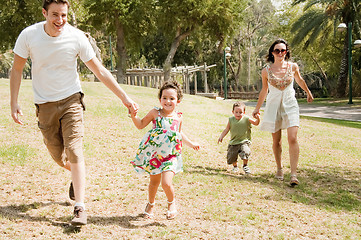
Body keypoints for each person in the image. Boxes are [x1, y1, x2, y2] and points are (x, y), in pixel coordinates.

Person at [10, 0, 138, 226]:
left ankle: (80, 208)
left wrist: (125, 98)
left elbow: (99, 70)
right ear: (44, 13)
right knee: (58, 156)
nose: (60, 20)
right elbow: (17, 68)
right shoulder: (29, 35)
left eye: (64, 15)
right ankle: (75, 174)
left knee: (75, 150)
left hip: (71, 100)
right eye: (54, 15)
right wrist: (14, 102)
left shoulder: (77, 37)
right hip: (44, 105)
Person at [130, 80, 199, 220]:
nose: (168, 101)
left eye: (172, 98)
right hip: (155, 155)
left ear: (178, 101)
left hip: (170, 156)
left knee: (166, 183)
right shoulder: (155, 113)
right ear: (160, 99)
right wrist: (133, 115)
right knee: (154, 182)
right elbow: (141, 124)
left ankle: (171, 204)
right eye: (164, 98)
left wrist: (191, 144)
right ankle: (150, 204)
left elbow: (179, 134)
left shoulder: (178, 117)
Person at [252, 39, 313, 186]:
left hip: (290, 104)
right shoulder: (266, 71)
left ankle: (293, 175)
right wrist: (257, 108)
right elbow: (264, 90)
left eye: (283, 50)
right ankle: (279, 168)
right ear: (272, 53)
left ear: (286, 52)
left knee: (292, 138)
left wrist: (308, 92)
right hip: (273, 106)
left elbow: (299, 80)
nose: (280, 53)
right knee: (277, 141)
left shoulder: (293, 67)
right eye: (277, 50)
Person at [218, 102, 260, 174]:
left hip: (244, 141)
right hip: (234, 142)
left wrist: (258, 119)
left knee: (246, 151)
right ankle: (235, 167)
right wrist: (221, 136)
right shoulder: (231, 120)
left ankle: (245, 166)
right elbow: (227, 129)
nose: (238, 114)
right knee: (232, 156)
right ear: (232, 112)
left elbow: (256, 123)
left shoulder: (246, 118)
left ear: (244, 112)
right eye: (236, 112)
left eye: (240, 112)